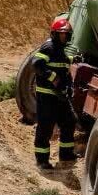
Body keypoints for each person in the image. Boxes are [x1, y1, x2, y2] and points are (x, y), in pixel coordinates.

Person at [32, 17, 76, 170]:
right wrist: (53, 77)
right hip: (47, 96)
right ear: (55, 34)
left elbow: (66, 72)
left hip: (60, 96)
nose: (66, 36)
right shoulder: (48, 47)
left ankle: (66, 154)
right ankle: (42, 160)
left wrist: (69, 86)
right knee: (45, 127)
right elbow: (37, 64)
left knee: (70, 121)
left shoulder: (62, 51)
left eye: (67, 34)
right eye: (63, 34)